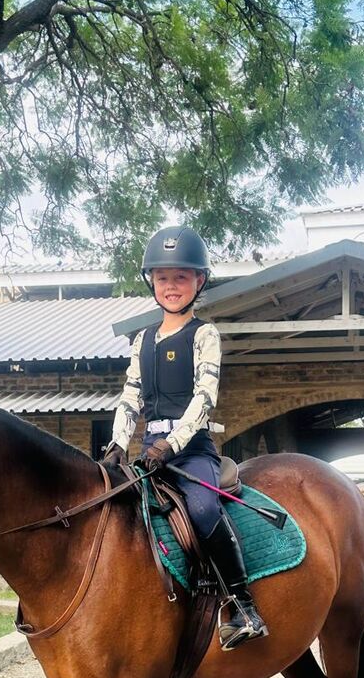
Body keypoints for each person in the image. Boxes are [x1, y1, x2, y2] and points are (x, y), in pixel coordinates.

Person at [104, 225, 268, 651]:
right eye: (163, 278)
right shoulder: (141, 340)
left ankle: (243, 605)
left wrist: (170, 445)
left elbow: (204, 398)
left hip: (190, 452)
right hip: (148, 454)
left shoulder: (204, 335)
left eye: (181, 277)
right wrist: (117, 444)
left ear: (199, 281)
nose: (171, 286)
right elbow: (131, 396)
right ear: (152, 283)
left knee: (203, 507)